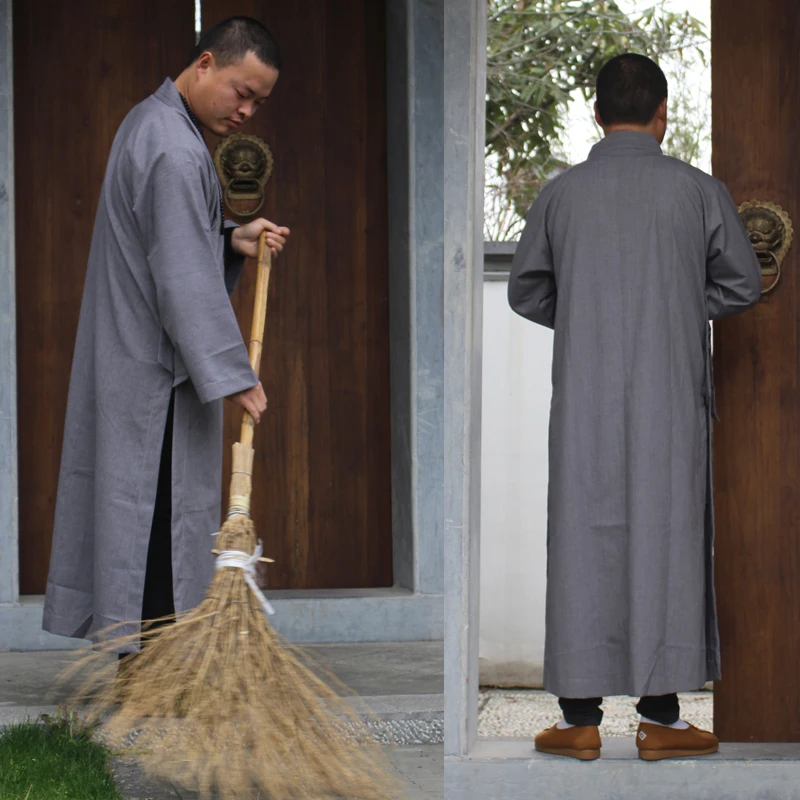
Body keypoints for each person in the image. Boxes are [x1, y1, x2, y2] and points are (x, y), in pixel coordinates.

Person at [507, 53, 761, 761]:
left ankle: (579, 719)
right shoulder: (698, 191)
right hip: (668, 403)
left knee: (583, 537)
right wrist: (682, 307)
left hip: (584, 398)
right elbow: (741, 285)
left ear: (595, 114)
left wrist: (588, 313)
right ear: (663, 113)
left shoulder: (561, 195)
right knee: (668, 537)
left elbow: (526, 291)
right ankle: (662, 719)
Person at [42, 17, 290, 654]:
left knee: (145, 518)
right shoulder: (175, 148)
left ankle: (147, 675)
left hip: (136, 364)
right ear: (205, 64)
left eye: (259, 101)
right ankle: (147, 677)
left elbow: (171, 244)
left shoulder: (151, 124)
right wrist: (234, 373)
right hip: (154, 380)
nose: (247, 110)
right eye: (241, 91)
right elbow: (180, 278)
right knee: (153, 520)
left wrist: (228, 238)